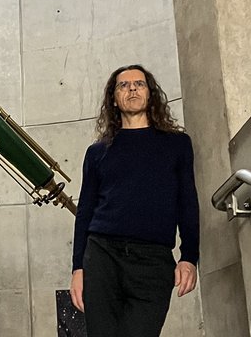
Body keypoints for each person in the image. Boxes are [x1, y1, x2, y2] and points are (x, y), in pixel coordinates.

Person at [70, 64, 200, 337]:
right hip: (103, 256)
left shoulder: (177, 145)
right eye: (123, 85)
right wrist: (78, 269)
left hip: (153, 260)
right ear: (114, 99)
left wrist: (189, 256)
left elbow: (187, 201)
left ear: (150, 94)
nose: (131, 89)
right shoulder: (97, 152)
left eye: (139, 84)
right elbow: (85, 212)